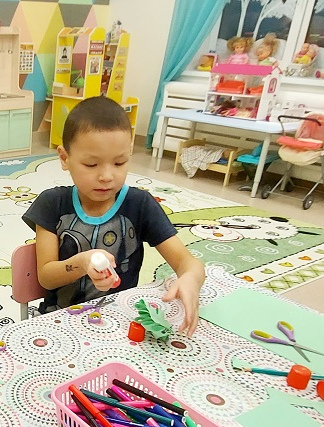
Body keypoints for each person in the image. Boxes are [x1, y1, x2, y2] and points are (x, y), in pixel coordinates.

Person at [22, 96, 205, 336]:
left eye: (119, 163)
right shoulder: (52, 203)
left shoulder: (140, 205)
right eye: (91, 165)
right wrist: (82, 263)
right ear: (65, 158)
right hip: (60, 322)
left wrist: (190, 279)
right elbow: (46, 277)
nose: (107, 176)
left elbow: (187, 262)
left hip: (117, 323)